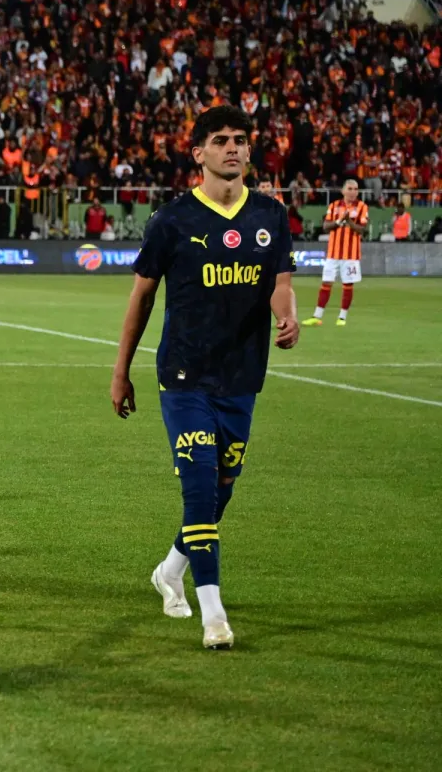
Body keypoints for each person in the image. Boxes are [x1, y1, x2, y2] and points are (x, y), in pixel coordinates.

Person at [110, 105, 299, 651]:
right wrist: (121, 371)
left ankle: (171, 569)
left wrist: (286, 314)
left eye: (240, 139)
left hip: (242, 375)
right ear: (199, 153)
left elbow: (280, 282)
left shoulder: (271, 215)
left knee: (221, 490)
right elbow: (142, 297)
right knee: (198, 490)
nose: (232, 147)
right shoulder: (172, 220)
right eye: (220, 140)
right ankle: (213, 613)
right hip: (184, 374)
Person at [302, 179, 367, 327]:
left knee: (348, 284)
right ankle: (317, 316)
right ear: (343, 191)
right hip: (333, 253)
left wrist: (349, 221)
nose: (353, 192)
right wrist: (338, 222)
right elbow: (325, 227)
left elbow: (362, 229)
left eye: (355, 189)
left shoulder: (362, 207)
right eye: (350, 189)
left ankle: (342, 317)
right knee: (326, 282)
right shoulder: (334, 206)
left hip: (351, 254)